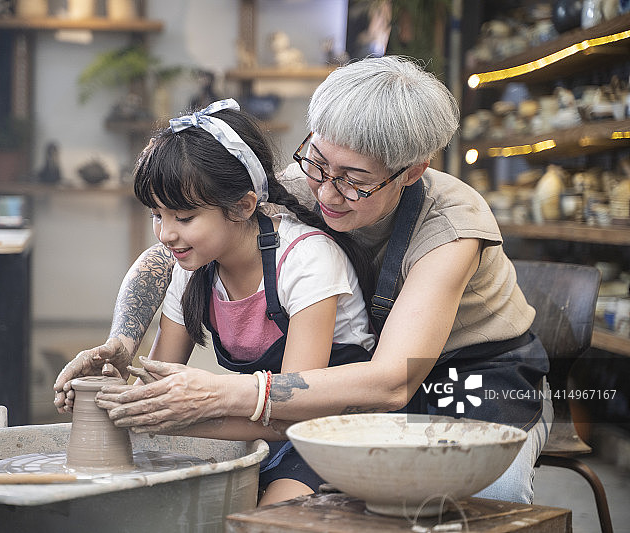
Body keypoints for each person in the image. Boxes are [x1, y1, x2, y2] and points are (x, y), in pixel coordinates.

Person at [54, 56, 553, 505]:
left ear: (411, 171)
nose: (327, 192)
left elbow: (392, 382)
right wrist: (122, 339)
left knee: (482, 501)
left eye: (354, 181)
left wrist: (226, 394)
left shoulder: (451, 225)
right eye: (316, 160)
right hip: (355, 375)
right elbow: (174, 249)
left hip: (468, 373)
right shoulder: (301, 183)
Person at [109, 98, 376, 504]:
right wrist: (110, 393)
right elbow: (160, 381)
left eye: (183, 218)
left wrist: (175, 419)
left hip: (334, 429)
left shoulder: (306, 259)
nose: (165, 234)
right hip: (260, 427)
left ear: (242, 206)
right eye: (156, 215)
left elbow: (295, 413)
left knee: (268, 521)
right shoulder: (191, 265)